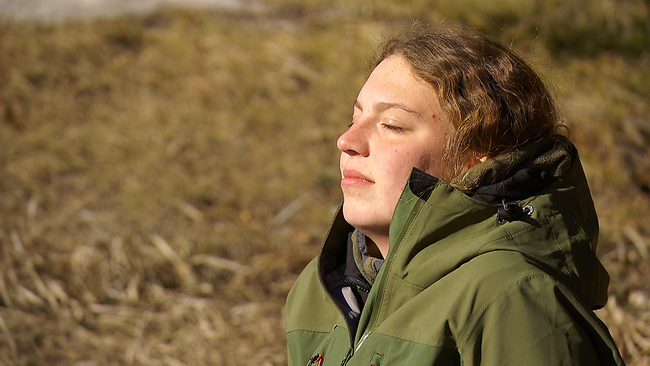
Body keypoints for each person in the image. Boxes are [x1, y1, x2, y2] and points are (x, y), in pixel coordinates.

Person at [285, 24, 626, 366]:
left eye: (391, 125)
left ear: (477, 155)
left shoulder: (512, 299)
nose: (347, 141)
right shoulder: (320, 291)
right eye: (353, 119)